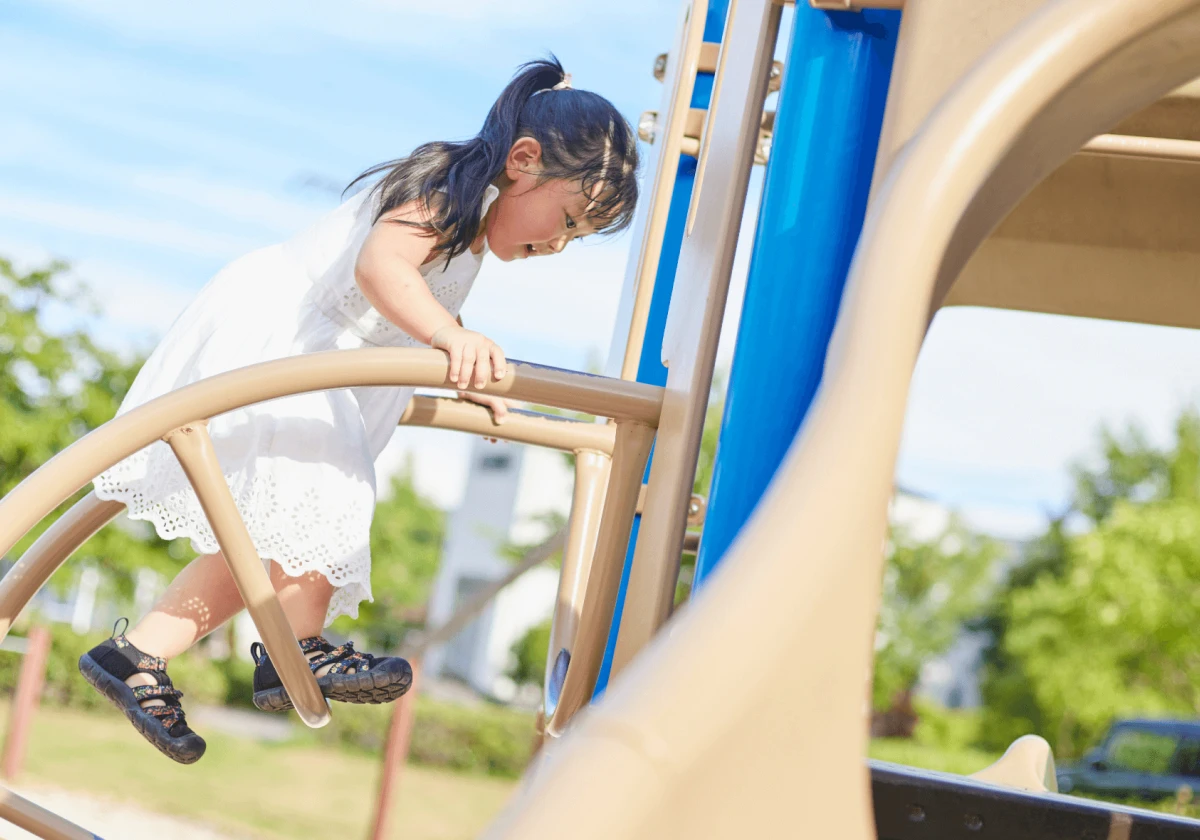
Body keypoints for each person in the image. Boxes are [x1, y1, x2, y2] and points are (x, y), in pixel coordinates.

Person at [78, 57, 639, 764]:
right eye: (565, 219)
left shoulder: (469, 245)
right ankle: (299, 651)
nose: (558, 244)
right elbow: (382, 270)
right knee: (330, 495)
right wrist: (450, 335)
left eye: (576, 238)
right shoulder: (448, 182)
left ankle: (138, 654)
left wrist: (456, 371)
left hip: (323, 365)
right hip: (279, 338)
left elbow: (403, 320)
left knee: (272, 542)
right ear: (524, 161)